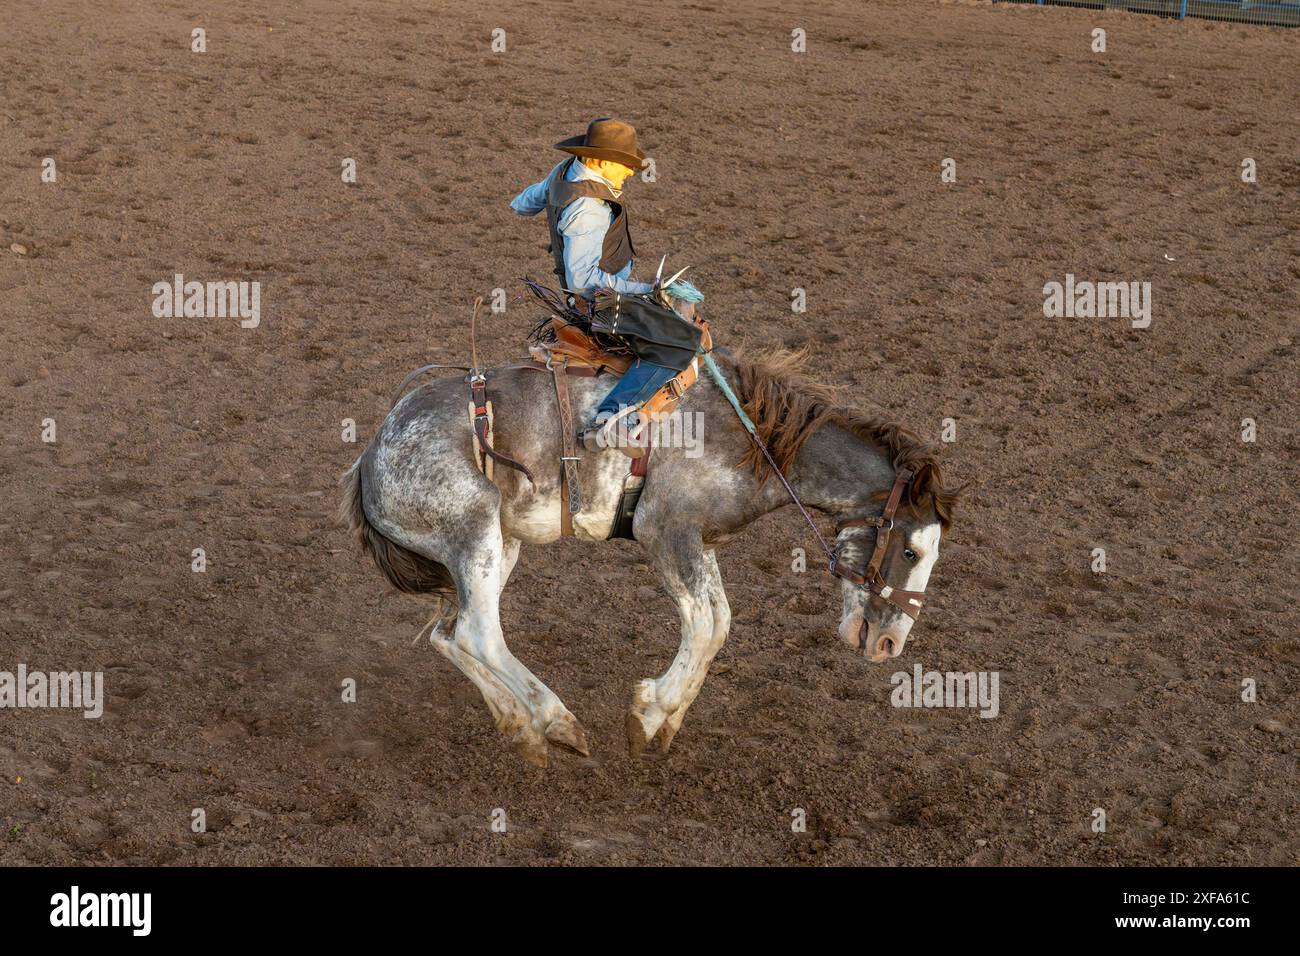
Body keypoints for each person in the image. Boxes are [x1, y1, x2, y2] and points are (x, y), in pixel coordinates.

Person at [510, 118, 700, 447]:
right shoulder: (588, 208)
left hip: (592, 295)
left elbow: (523, 203)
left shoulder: (565, 171)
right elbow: (584, 281)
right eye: (624, 165)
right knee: (681, 342)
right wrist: (652, 292)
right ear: (598, 162)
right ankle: (612, 416)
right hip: (600, 304)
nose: (629, 172)